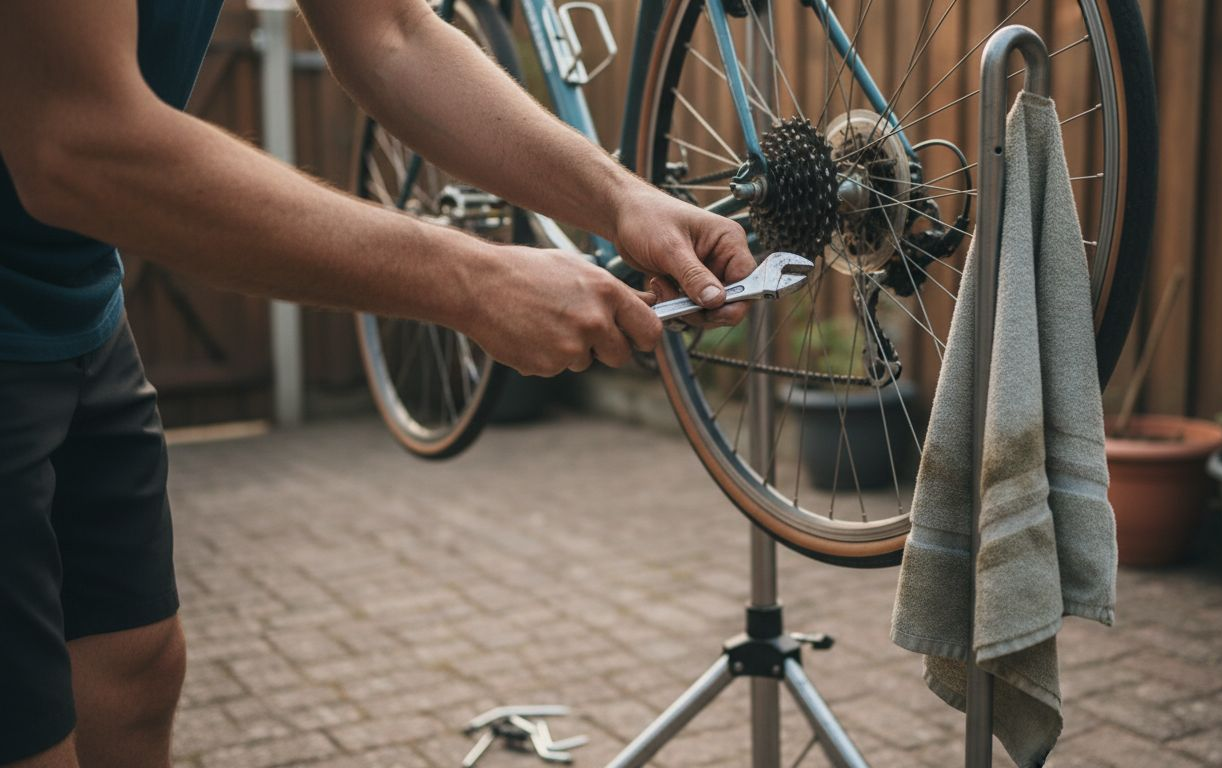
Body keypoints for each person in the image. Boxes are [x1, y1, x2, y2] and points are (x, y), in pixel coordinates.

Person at [0, 2, 755, 766]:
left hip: (76, 300)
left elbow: (392, 31)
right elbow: (77, 143)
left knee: (136, 666)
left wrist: (623, 199)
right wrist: (472, 281)